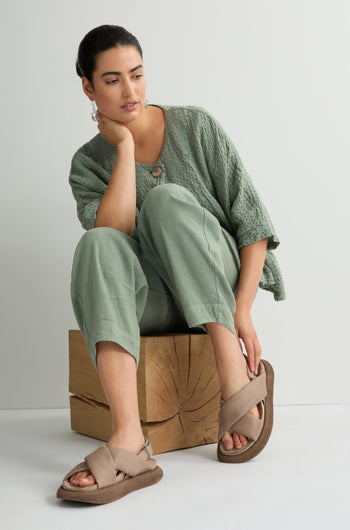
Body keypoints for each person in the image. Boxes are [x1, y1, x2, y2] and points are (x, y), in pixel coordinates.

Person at [57, 24, 286, 504]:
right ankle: (128, 438)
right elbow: (114, 238)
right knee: (97, 244)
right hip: (161, 301)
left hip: (216, 277)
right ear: (88, 87)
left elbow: (253, 225)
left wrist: (242, 310)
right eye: (113, 79)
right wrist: (122, 148)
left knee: (163, 201)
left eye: (137, 75)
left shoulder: (195, 126)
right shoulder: (87, 164)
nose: (130, 90)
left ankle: (233, 374)